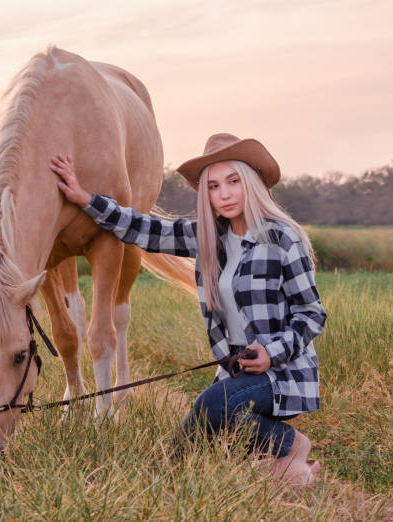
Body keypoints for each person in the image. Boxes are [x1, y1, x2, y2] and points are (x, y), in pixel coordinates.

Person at [49, 133, 327, 485]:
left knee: (212, 406)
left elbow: (311, 313)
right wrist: (85, 198)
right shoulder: (209, 237)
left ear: (252, 182)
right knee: (216, 429)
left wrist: (271, 353)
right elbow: (145, 230)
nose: (223, 194)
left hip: (282, 372)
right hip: (237, 374)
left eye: (233, 181)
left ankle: (183, 471)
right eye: (212, 186)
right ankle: (280, 453)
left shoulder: (282, 239)